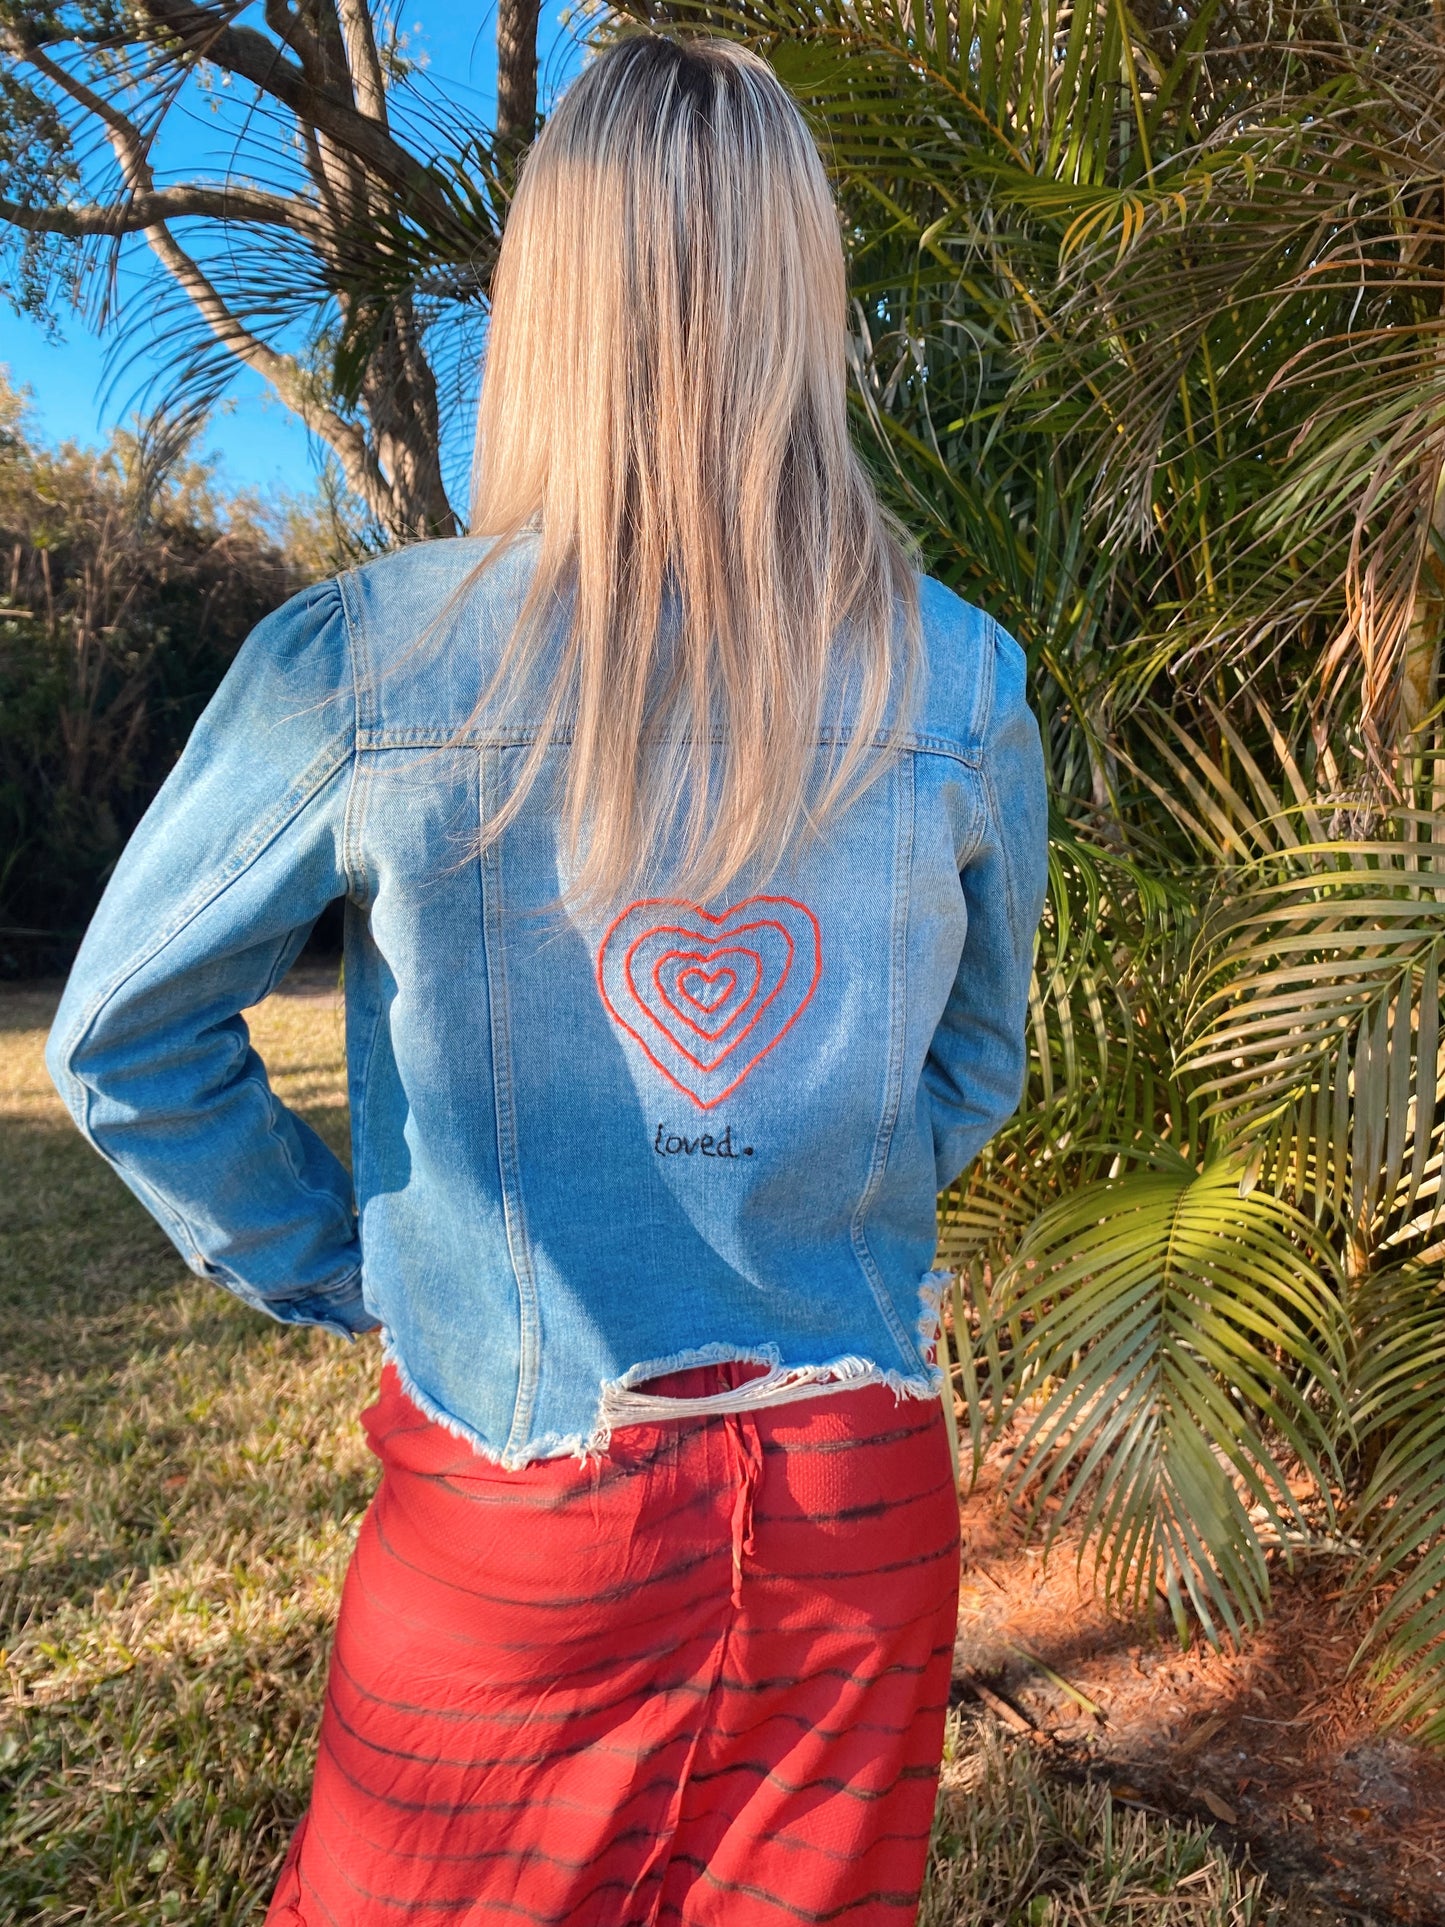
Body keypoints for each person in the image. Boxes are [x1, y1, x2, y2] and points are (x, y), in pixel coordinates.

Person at [45, 30, 1048, 1927]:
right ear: (799, 301)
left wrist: (339, 1258)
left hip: (520, 1521)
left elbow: (124, 1038)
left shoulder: (373, 660)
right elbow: (968, 1071)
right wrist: (804, 1205)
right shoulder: (960, 680)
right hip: (866, 1501)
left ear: (551, 310)